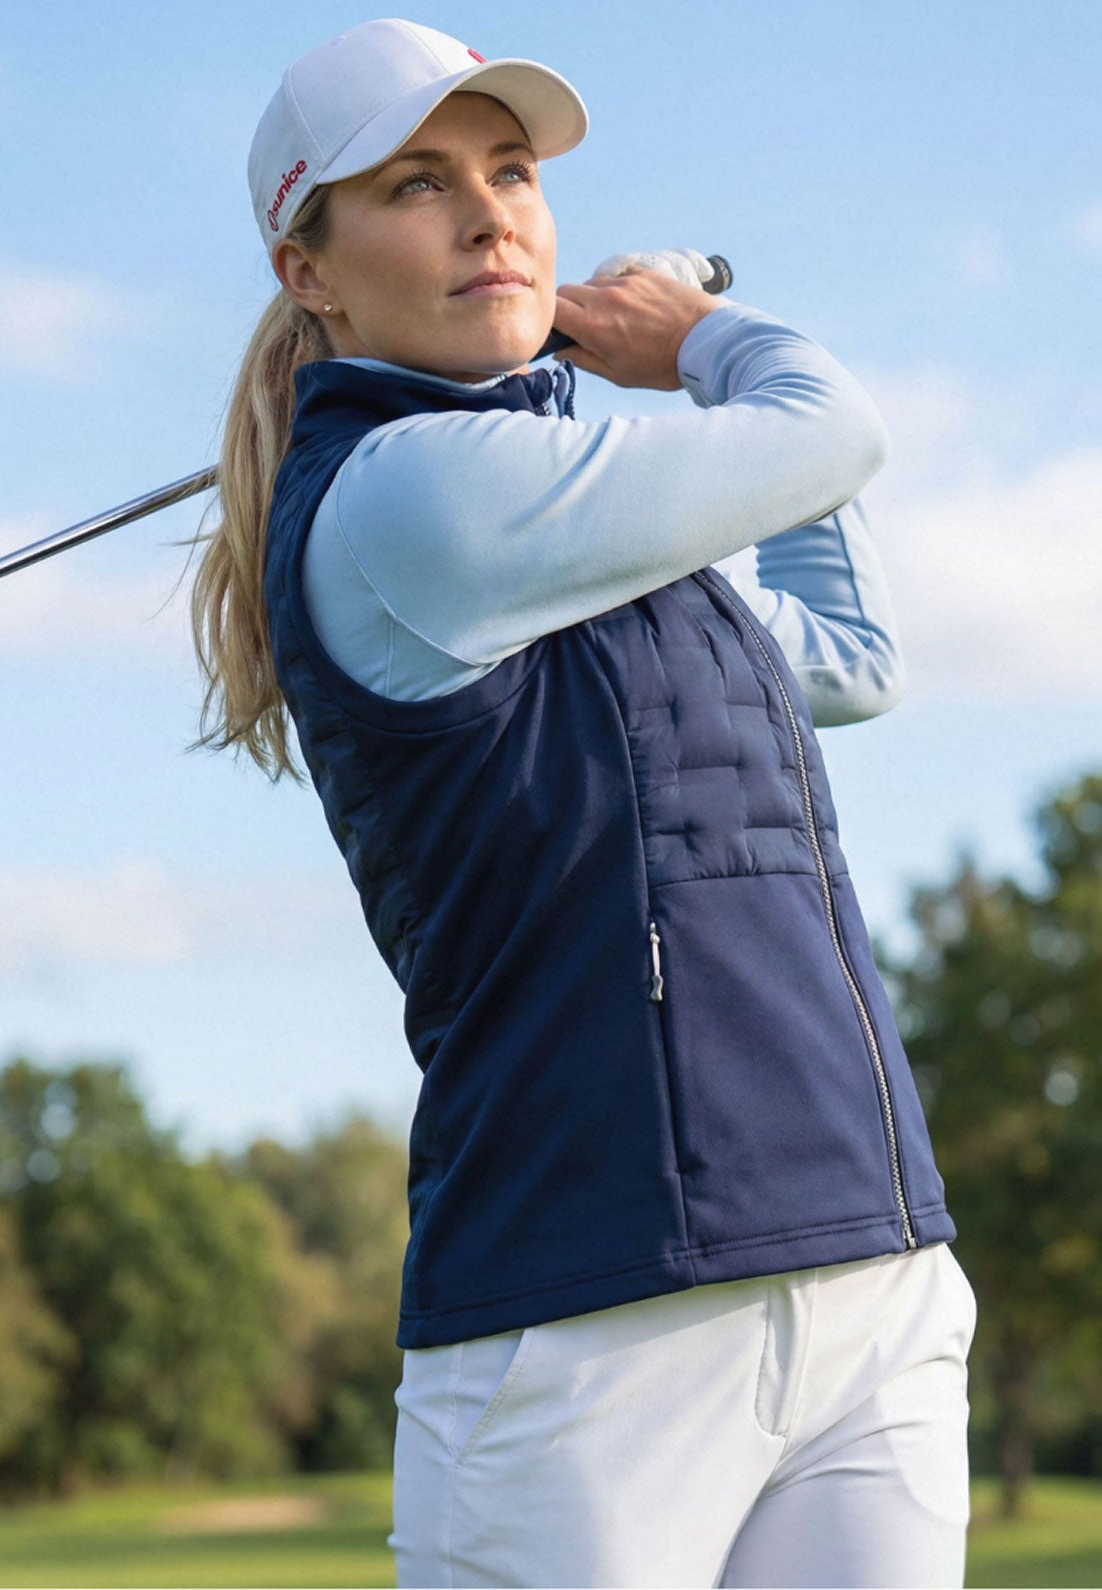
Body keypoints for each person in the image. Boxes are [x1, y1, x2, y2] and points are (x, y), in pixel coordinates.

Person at [192, 19, 976, 1588]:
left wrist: (700, 335)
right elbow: (830, 430)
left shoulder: (585, 531)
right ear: (311, 274)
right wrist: (695, 341)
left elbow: (855, 658)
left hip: (858, 1269)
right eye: (417, 185)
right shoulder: (410, 499)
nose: (489, 214)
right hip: (583, 1321)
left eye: (510, 173)